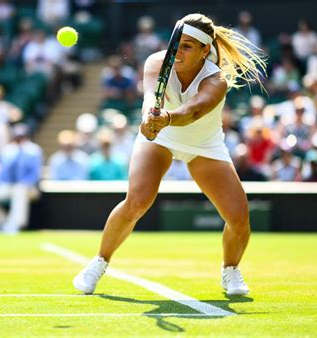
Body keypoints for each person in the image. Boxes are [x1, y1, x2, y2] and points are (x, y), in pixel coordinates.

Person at [73, 13, 266, 296]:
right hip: (159, 138)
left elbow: (194, 110)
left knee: (239, 218)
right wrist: (150, 115)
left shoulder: (216, 80)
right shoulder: (156, 61)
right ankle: (99, 261)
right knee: (137, 202)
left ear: (204, 51)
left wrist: (166, 118)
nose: (178, 51)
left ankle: (230, 270)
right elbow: (152, 95)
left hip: (204, 145)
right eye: (177, 44)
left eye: (188, 46)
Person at [0, 123, 43, 234]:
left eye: (21, 136)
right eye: (17, 136)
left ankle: (17, 225)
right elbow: (2, 173)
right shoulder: (7, 150)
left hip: (29, 188)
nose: (19, 139)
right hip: (7, 187)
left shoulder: (34, 150)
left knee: (20, 189)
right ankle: (4, 223)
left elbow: (35, 174)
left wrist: (24, 184)